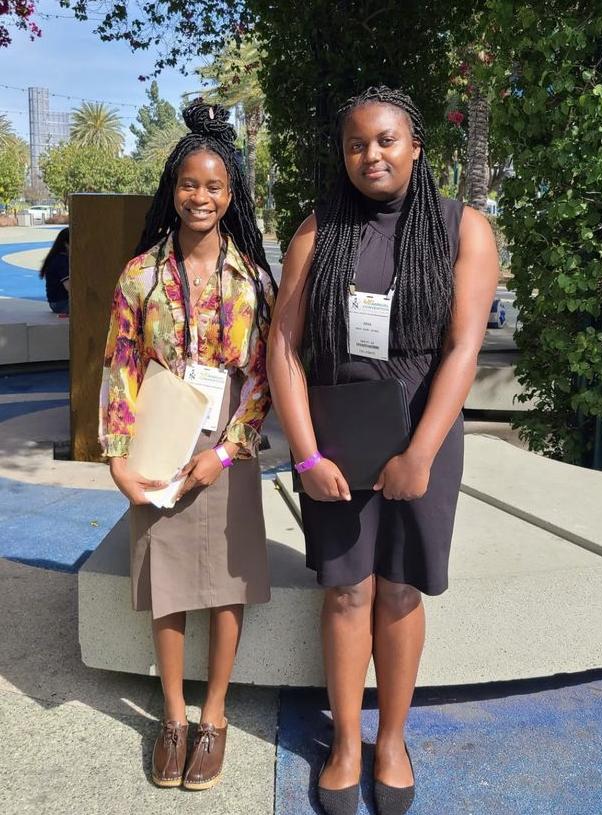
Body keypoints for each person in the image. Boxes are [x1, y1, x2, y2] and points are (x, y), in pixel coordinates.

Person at [267, 86, 498, 815]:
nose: (371, 154)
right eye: (356, 143)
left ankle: (391, 738)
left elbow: (463, 347)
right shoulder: (318, 228)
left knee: (398, 590)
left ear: (415, 145)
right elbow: (282, 345)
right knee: (346, 592)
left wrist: (420, 452)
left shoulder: (462, 228)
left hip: (419, 429)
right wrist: (306, 455)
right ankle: (342, 744)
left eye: (386, 140)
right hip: (336, 435)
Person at [99, 101, 276, 791]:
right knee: (169, 580)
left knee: (224, 585)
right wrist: (119, 453)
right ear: (172, 189)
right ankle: (173, 718)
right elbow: (119, 363)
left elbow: (261, 376)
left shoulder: (253, 280)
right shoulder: (139, 275)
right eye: (188, 184)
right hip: (159, 435)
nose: (200, 196)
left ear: (231, 197)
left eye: (214, 186)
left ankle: (215, 716)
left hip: (224, 442)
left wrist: (225, 451)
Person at [39, 226, 69, 314]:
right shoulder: (61, 261)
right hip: (62, 303)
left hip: (56, 302)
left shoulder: (56, 257)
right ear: (66, 244)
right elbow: (69, 287)